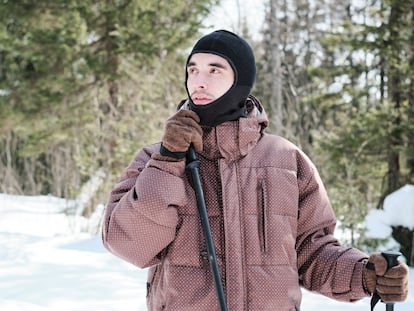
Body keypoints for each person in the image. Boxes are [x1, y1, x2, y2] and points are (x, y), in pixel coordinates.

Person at [102, 30, 409, 310]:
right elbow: (128, 243)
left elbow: (311, 252)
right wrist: (169, 161)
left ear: (240, 80)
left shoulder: (287, 160)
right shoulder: (156, 158)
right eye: (192, 69)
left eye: (214, 70)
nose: (199, 81)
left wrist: (365, 275)